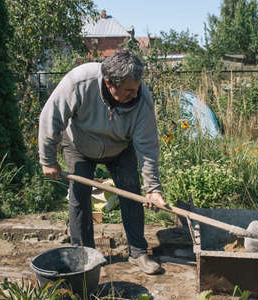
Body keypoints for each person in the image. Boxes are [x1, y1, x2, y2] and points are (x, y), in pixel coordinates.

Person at [38, 50, 167, 275]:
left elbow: (147, 148)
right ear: (109, 83)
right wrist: (48, 160)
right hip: (79, 143)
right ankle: (83, 255)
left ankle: (137, 252)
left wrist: (153, 189)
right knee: (79, 194)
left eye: (137, 87)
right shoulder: (79, 82)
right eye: (128, 90)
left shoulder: (141, 98)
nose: (135, 93)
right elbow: (51, 117)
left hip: (120, 147)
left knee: (131, 191)